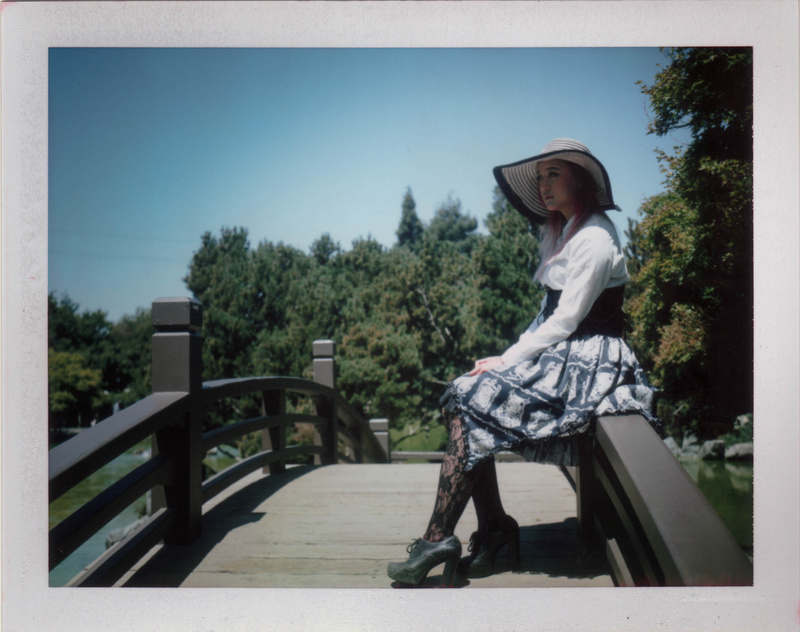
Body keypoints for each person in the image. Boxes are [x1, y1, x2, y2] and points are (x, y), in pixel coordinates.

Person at [387, 139, 661, 588]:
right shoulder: (567, 231)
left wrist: (508, 359)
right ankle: (489, 529)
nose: (544, 186)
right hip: (565, 350)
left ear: (580, 179)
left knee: (470, 397)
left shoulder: (594, 236)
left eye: (553, 174)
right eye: (540, 177)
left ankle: (445, 537)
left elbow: (566, 321)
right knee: (463, 394)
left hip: (590, 360)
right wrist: (502, 359)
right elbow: (546, 318)